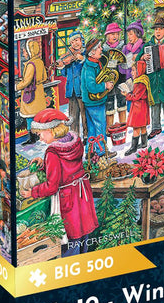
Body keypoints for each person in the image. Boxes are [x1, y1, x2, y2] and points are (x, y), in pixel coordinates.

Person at [20, 109, 98, 257]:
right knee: (83, 236)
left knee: (69, 239)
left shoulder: (53, 152)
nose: (40, 138)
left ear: (50, 131)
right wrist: (44, 163)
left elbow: (51, 186)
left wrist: (32, 192)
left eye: (40, 134)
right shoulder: (75, 143)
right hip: (82, 195)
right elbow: (67, 167)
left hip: (67, 199)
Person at [143, 17, 164, 138]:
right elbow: (138, 59)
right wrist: (143, 57)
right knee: (155, 104)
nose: (158, 31)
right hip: (153, 79)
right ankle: (155, 127)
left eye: (161, 29)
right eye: (156, 29)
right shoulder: (148, 45)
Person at [81, 39, 114, 156]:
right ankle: (102, 151)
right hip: (94, 102)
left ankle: (90, 151)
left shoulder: (95, 63)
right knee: (100, 126)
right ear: (92, 52)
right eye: (99, 47)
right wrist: (105, 85)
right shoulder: (89, 68)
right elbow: (91, 87)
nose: (101, 49)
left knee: (92, 128)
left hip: (93, 102)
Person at [56, 30, 87, 141]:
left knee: (84, 114)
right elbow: (64, 74)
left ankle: (86, 135)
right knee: (73, 115)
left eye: (77, 40)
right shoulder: (68, 55)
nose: (75, 44)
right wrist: (62, 66)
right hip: (71, 89)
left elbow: (88, 68)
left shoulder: (85, 54)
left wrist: (82, 59)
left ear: (81, 40)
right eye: (72, 42)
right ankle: (75, 135)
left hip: (82, 88)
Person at [15, 39, 48, 143]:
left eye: (25, 51)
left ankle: (32, 138)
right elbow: (44, 77)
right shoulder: (40, 62)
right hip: (39, 91)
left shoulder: (30, 64)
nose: (23, 53)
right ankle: (38, 135)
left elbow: (26, 82)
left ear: (30, 51)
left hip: (31, 93)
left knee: (29, 117)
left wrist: (16, 87)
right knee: (37, 116)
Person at [122, 59, 154, 156]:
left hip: (138, 109)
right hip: (142, 107)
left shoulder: (140, 83)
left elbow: (135, 96)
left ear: (139, 70)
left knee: (136, 128)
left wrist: (127, 94)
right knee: (143, 126)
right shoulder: (143, 80)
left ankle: (133, 147)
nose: (131, 72)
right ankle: (144, 143)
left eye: (133, 70)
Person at [102, 22, 128, 132]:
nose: (115, 36)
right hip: (109, 80)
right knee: (109, 104)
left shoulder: (123, 47)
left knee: (122, 101)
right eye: (113, 34)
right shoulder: (103, 50)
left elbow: (128, 62)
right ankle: (109, 128)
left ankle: (123, 125)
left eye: (117, 34)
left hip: (121, 78)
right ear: (107, 35)